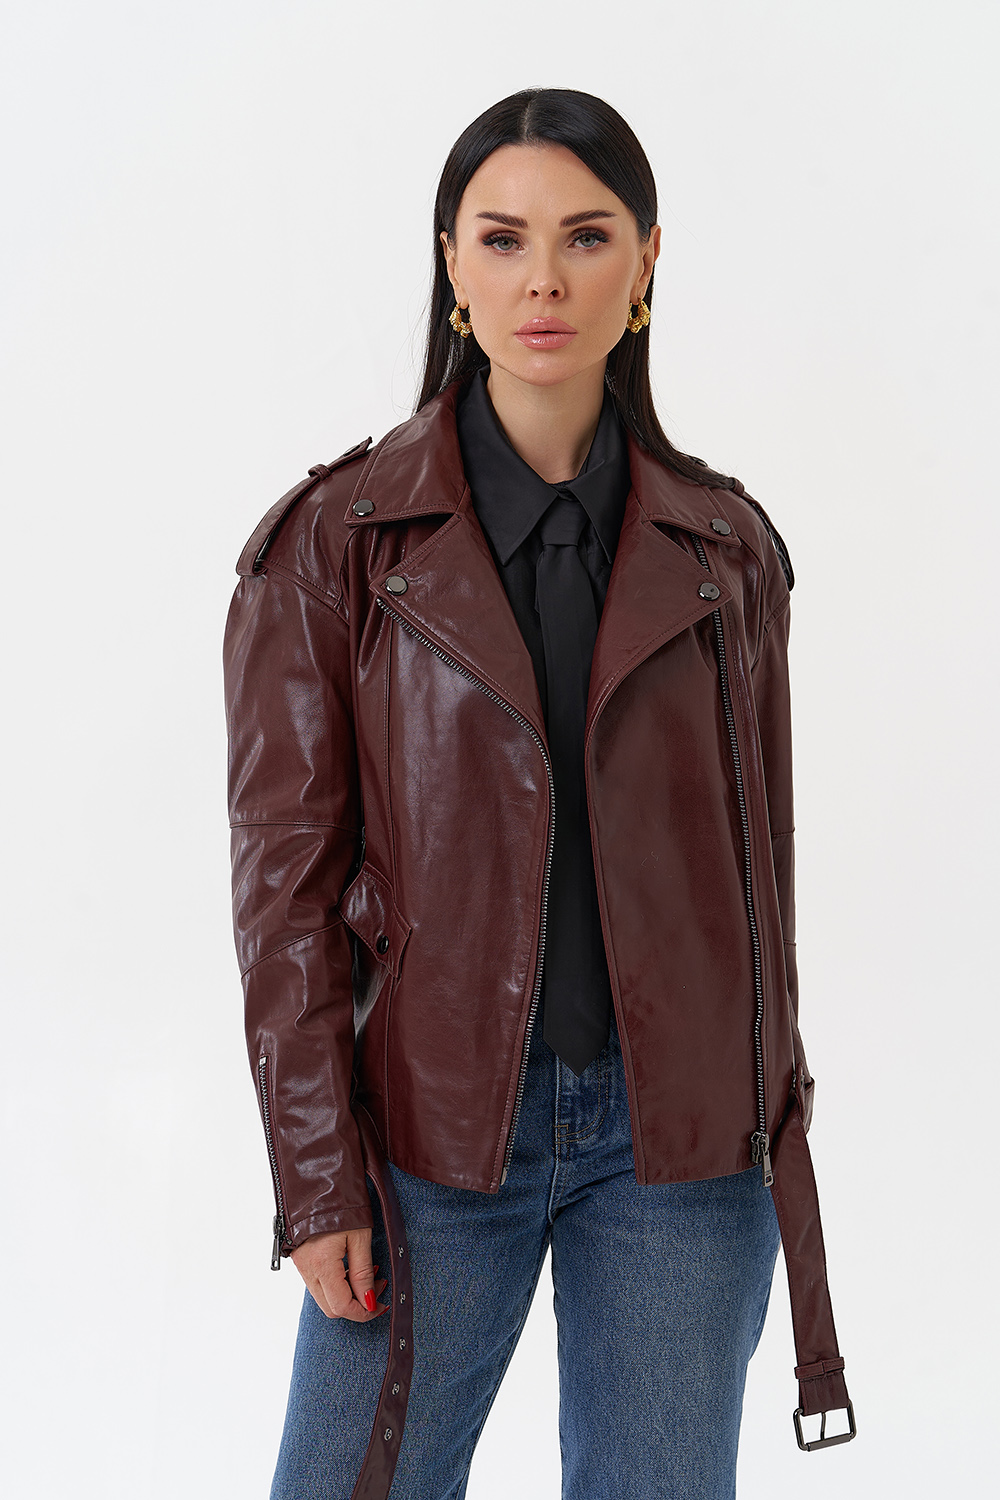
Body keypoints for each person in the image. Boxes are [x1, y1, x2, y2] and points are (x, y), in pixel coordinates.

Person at [223, 87, 854, 1500]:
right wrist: (318, 1177)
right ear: (452, 265)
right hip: (429, 1140)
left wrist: (770, 1130)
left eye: (587, 235)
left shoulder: (727, 553)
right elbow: (284, 892)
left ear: (646, 263)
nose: (545, 280)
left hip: (680, 1148)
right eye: (504, 239)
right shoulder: (334, 548)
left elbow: (760, 885)